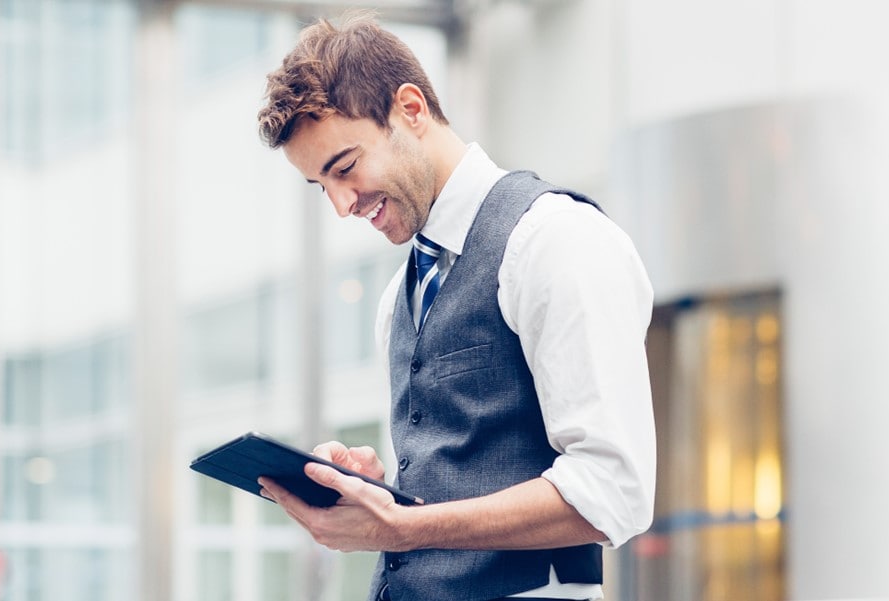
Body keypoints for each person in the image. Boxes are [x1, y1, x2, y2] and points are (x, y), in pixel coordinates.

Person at [254, 12, 655, 601]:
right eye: (323, 186)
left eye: (345, 168)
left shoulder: (555, 240)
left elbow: (614, 489)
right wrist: (376, 490)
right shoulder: (399, 297)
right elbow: (455, 480)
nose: (341, 205)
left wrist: (405, 528)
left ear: (410, 110)